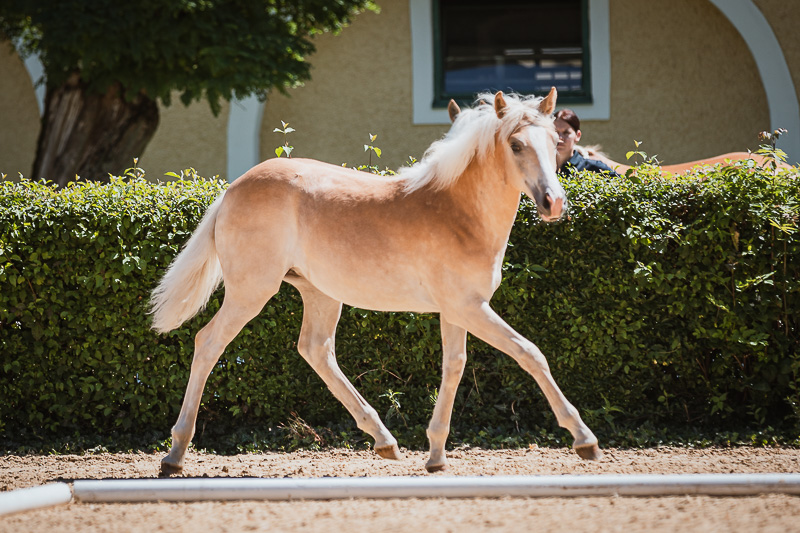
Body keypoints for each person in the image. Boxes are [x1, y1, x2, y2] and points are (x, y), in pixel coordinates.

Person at [555, 109, 620, 177]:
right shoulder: (547, 169)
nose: (560, 138)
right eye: (555, 132)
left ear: (577, 136)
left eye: (566, 133)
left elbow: (621, 181)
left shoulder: (593, 168)